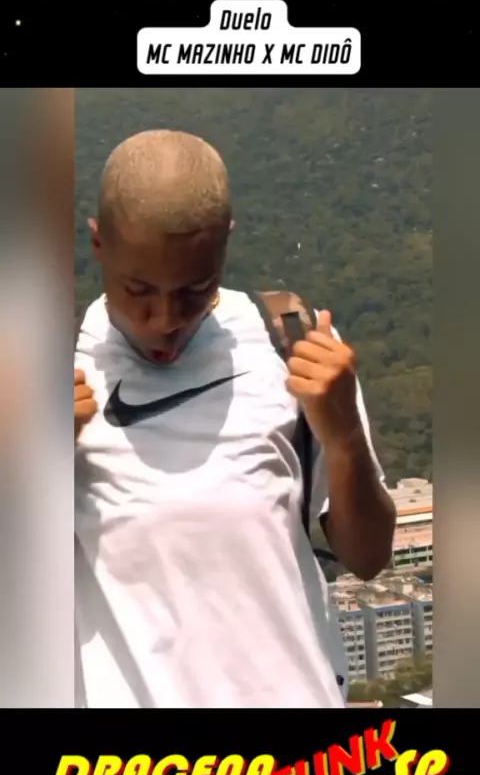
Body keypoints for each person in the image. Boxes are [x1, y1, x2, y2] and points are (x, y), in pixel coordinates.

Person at [74, 129, 395, 708]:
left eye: (195, 289)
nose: (166, 319)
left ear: (226, 243)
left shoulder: (289, 346)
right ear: (98, 243)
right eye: (138, 289)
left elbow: (369, 559)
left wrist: (345, 437)